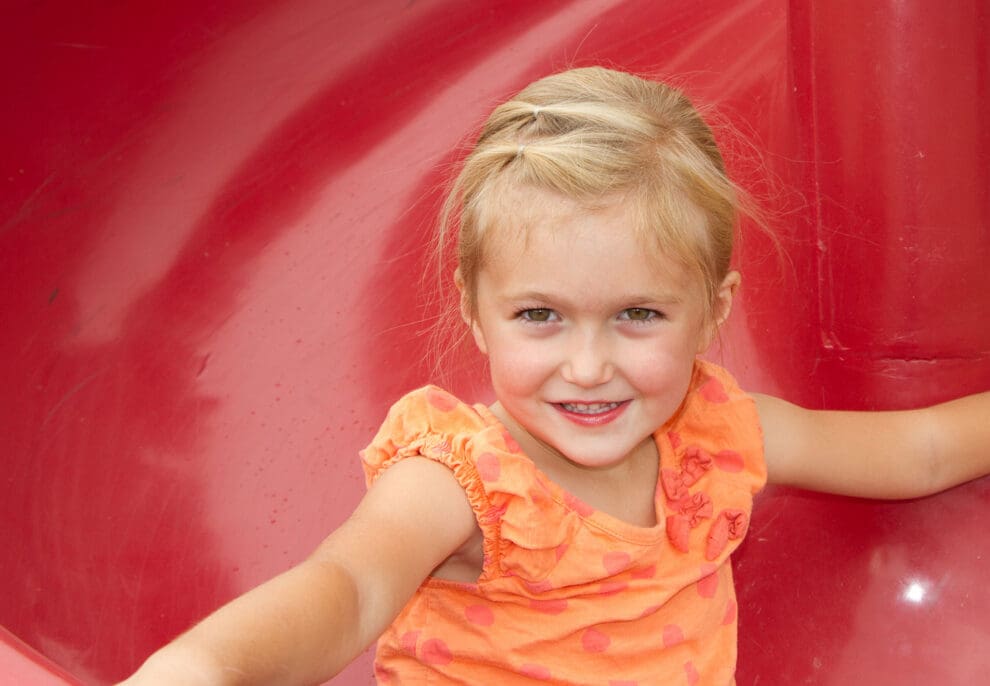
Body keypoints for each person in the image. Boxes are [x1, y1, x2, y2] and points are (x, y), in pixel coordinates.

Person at [119, 66, 990, 685]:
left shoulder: (719, 436)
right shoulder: (464, 482)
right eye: (540, 315)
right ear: (473, 308)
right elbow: (347, 591)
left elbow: (913, 452)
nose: (587, 366)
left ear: (714, 311)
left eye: (638, 315)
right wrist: (200, 670)